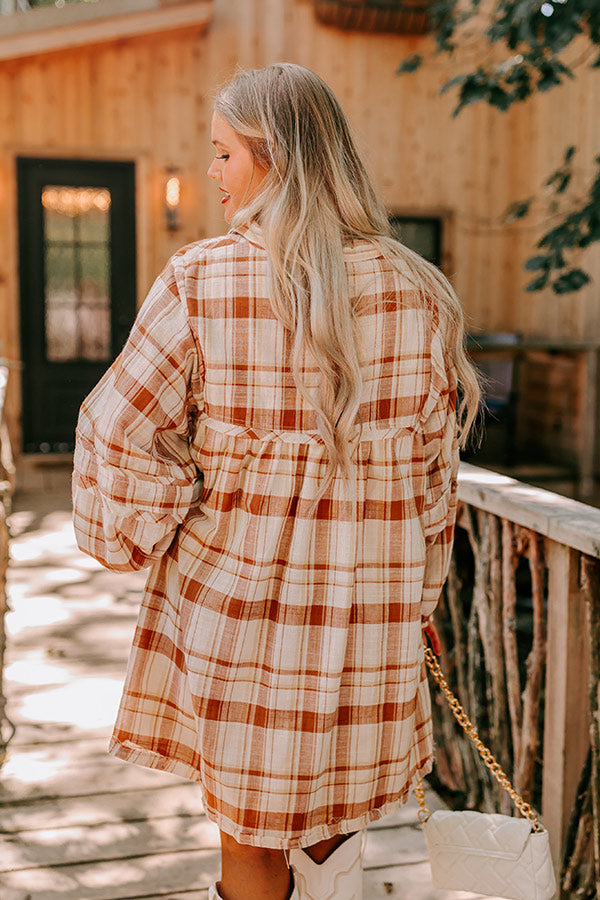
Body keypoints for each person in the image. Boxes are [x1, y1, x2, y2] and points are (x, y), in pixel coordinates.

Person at [72, 63, 480, 900]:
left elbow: (115, 432)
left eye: (223, 154)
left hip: (235, 608)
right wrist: (422, 591)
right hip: (370, 609)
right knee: (335, 831)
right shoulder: (420, 292)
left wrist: (153, 524)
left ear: (275, 156)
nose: (215, 173)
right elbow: (439, 485)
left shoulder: (203, 281)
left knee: (250, 838)